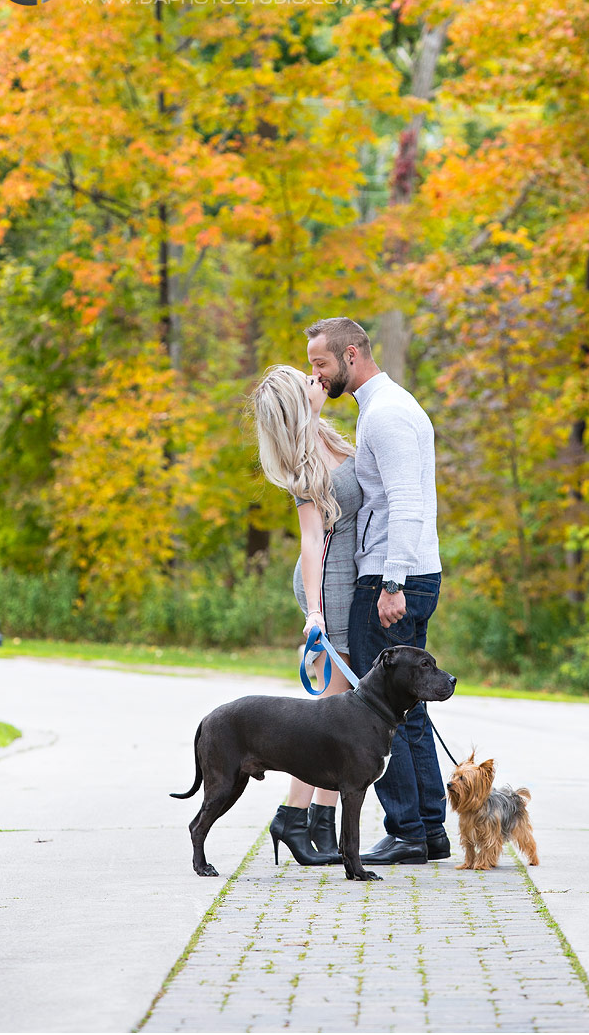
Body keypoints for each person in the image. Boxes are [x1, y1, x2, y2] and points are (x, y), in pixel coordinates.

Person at [305, 316, 450, 866]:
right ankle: (428, 831)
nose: (316, 375)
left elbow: (407, 505)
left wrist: (391, 583)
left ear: (350, 354)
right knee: (409, 706)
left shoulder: (387, 416)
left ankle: (408, 829)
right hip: (410, 571)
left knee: (379, 712)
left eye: (321, 363)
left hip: (393, 577)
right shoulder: (387, 406)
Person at [251, 364, 362, 866]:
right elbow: (312, 539)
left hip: (345, 574)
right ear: (295, 402)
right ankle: (293, 817)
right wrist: (315, 613)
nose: (318, 381)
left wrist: (314, 416)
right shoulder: (302, 462)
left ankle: (320, 823)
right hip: (328, 580)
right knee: (334, 715)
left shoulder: (325, 436)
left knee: (341, 713)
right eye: (307, 382)